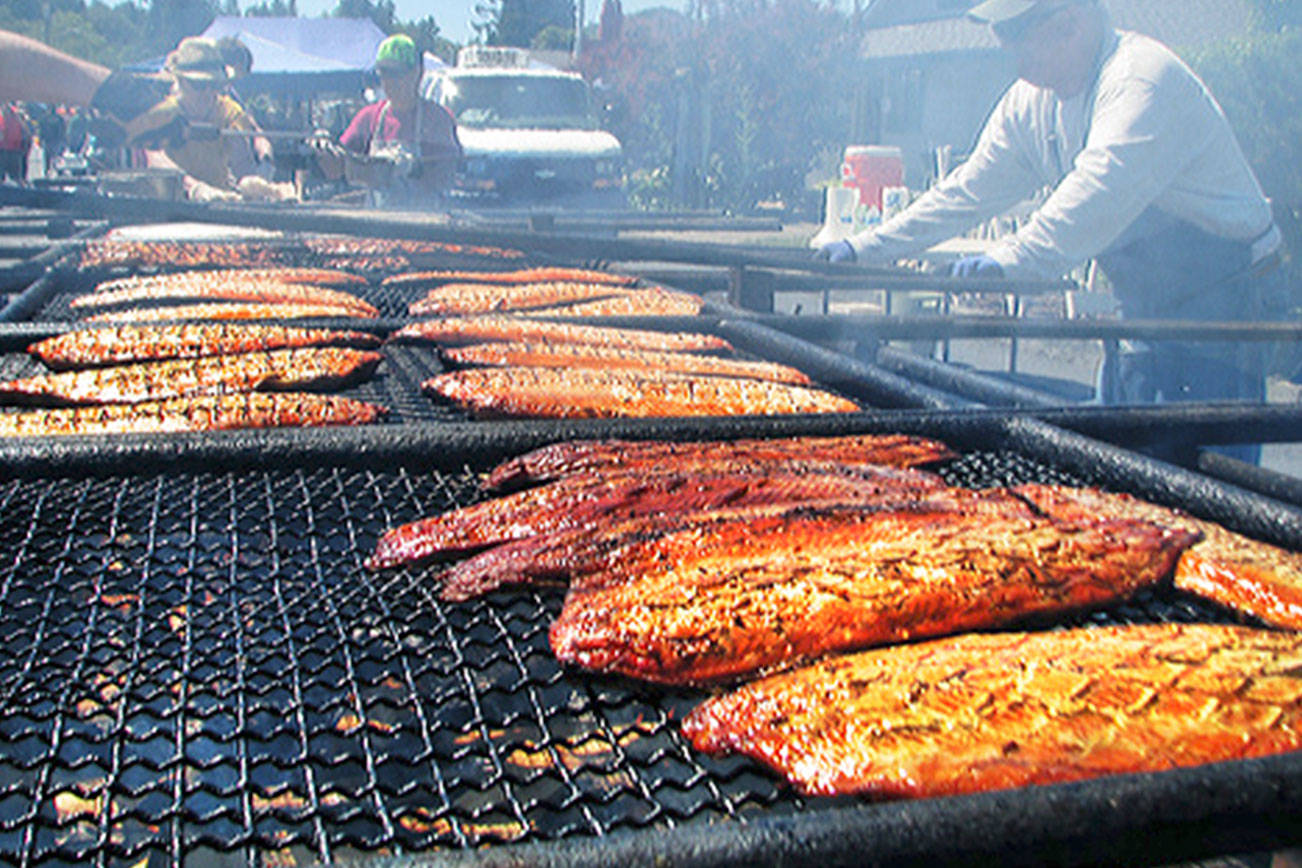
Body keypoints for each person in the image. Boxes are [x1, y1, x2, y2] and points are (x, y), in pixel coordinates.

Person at [817, 0, 1287, 463]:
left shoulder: (1141, 80)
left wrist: (1011, 259)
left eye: (1019, 39)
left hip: (1225, 294)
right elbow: (966, 190)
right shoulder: (1033, 102)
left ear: (1071, 25)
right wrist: (864, 248)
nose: (1012, 57)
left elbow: (1097, 192)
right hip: (1144, 302)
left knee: (1212, 459)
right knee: (1128, 450)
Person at [316, 34, 462, 207]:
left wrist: (406, 170)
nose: (388, 82)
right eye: (383, 73)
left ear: (417, 73)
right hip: (378, 227)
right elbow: (334, 169)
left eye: (396, 74)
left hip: (425, 226)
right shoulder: (369, 117)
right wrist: (322, 150)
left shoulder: (438, 120)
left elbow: (446, 175)